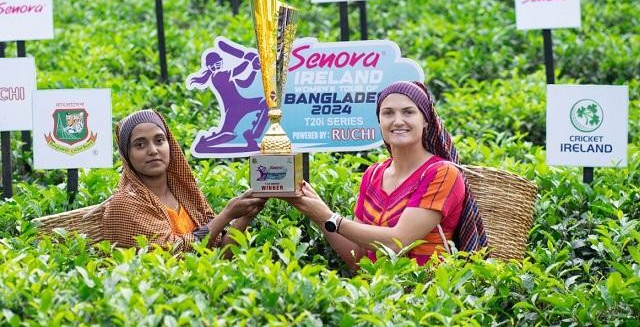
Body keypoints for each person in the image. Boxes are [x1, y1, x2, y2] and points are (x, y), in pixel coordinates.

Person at [284, 81, 487, 268]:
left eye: (408, 112)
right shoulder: (372, 175)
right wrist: (317, 213)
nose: (398, 121)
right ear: (379, 121)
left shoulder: (442, 173)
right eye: (388, 113)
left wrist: (331, 218)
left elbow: (398, 242)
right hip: (376, 296)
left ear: (426, 120)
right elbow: (359, 258)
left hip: (426, 297)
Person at [102, 109, 266, 253]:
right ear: (127, 155)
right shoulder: (125, 202)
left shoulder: (185, 193)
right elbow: (172, 253)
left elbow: (221, 254)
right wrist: (226, 215)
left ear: (169, 145)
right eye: (140, 144)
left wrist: (246, 214)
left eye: (159, 140)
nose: (153, 150)